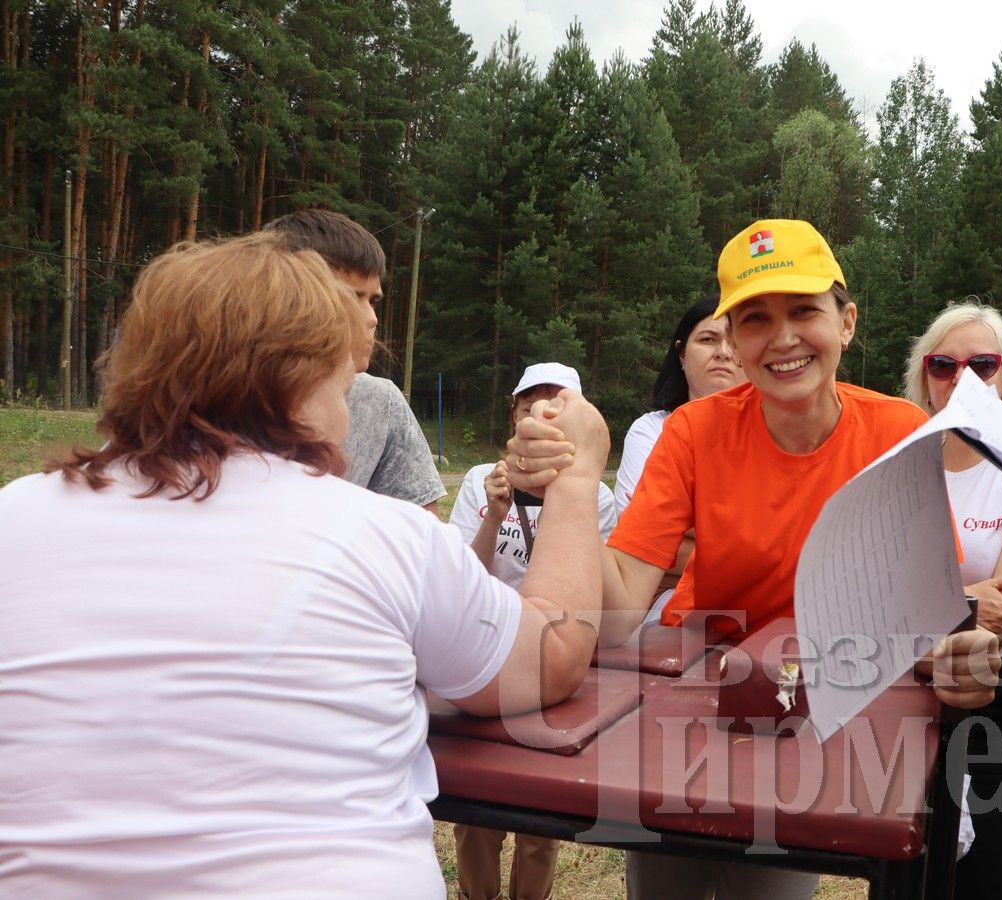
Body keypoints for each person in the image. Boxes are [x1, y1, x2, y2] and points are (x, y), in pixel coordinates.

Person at [0, 233, 607, 897]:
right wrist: (576, 481)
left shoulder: (13, 518)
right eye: (344, 388)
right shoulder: (380, 535)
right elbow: (551, 654)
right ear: (302, 386)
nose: (347, 413)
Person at [506, 218, 1001, 899]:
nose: (784, 338)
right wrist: (570, 480)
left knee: (767, 884)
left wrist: (959, 657)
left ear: (846, 322)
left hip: (817, 701)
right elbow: (618, 610)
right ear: (734, 342)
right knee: (664, 876)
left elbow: (932, 615)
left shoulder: (896, 432)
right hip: (691, 691)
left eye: (804, 311)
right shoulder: (691, 432)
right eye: (755, 319)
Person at [905, 301, 1002, 900]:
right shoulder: (905, 465)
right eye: (944, 364)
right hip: (918, 684)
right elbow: (893, 592)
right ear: (925, 377)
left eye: (983, 364)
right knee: (915, 876)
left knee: (998, 880)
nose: (962, 378)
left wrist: (936, 603)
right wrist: (969, 598)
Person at [447, 361, 618, 900]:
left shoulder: (600, 497)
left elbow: (600, 599)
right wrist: (494, 516)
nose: (540, 408)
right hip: (489, 652)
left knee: (542, 812)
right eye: (529, 400)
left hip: (559, 663)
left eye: (556, 400)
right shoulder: (480, 479)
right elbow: (461, 578)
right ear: (514, 412)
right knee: (476, 809)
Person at [264, 209, 445, 514]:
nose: (372, 318)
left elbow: (422, 542)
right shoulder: (223, 396)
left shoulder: (380, 403)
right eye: (350, 297)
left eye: (373, 300)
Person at [613, 294, 746, 623]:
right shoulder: (650, 432)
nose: (723, 352)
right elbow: (642, 549)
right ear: (681, 353)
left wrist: (689, 525)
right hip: (665, 597)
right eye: (707, 339)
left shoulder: (778, 430)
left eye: (736, 341)